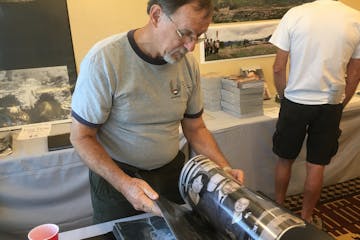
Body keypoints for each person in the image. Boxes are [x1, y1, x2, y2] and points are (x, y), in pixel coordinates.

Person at [70, 0, 244, 224]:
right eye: (185, 33)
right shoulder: (105, 60)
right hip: (117, 178)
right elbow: (81, 136)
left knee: (177, 230)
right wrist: (125, 184)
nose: (191, 46)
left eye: (198, 37)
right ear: (156, 15)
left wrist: (224, 168)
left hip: (171, 174)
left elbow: (196, 128)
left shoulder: (187, 65)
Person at [269, 0, 360, 225]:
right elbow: (356, 72)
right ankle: (307, 216)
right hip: (330, 104)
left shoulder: (295, 14)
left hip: (295, 102)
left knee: (284, 160)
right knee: (316, 164)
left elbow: (278, 67)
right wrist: (340, 103)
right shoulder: (356, 18)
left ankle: (279, 208)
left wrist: (284, 98)